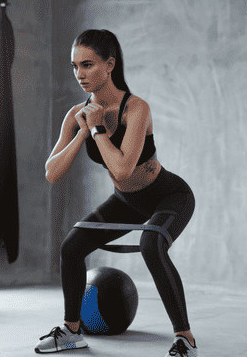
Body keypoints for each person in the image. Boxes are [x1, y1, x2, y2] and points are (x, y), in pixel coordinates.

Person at [38, 29, 198, 357]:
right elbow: (52, 173)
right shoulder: (75, 115)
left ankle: (185, 338)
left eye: (88, 65)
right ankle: (71, 331)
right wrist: (82, 133)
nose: (79, 74)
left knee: (151, 245)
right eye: (74, 67)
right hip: (126, 201)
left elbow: (123, 168)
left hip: (168, 195)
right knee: (71, 248)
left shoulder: (135, 109)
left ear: (109, 65)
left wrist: (97, 129)